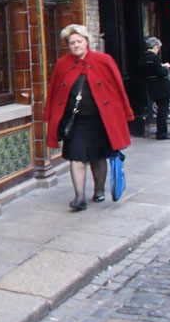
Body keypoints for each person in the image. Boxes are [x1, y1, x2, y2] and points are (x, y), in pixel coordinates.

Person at [45, 24, 133, 211]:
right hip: (76, 121)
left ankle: (99, 191)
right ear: (68, 45)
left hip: (100, 121)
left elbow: (118, 89)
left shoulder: (104, 60)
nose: (76, 45)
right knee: (76, 157)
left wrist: (125, 113)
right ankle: (79, 198)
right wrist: (51, 117)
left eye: (79, 41)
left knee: (98, 157)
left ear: (86, 42)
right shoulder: (62, 64)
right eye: (72, 43)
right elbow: (54, 93)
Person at [138, 37, 170, 140]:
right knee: (163, 110)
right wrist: (165, 67)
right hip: (161, 87)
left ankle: (161, 132)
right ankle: (162, 133)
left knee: (159, 109)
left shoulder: (142, 58)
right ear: (155, 47)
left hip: (151, 86)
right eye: (158, 48)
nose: (158, 51)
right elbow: (162, 73)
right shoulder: (154, 58)